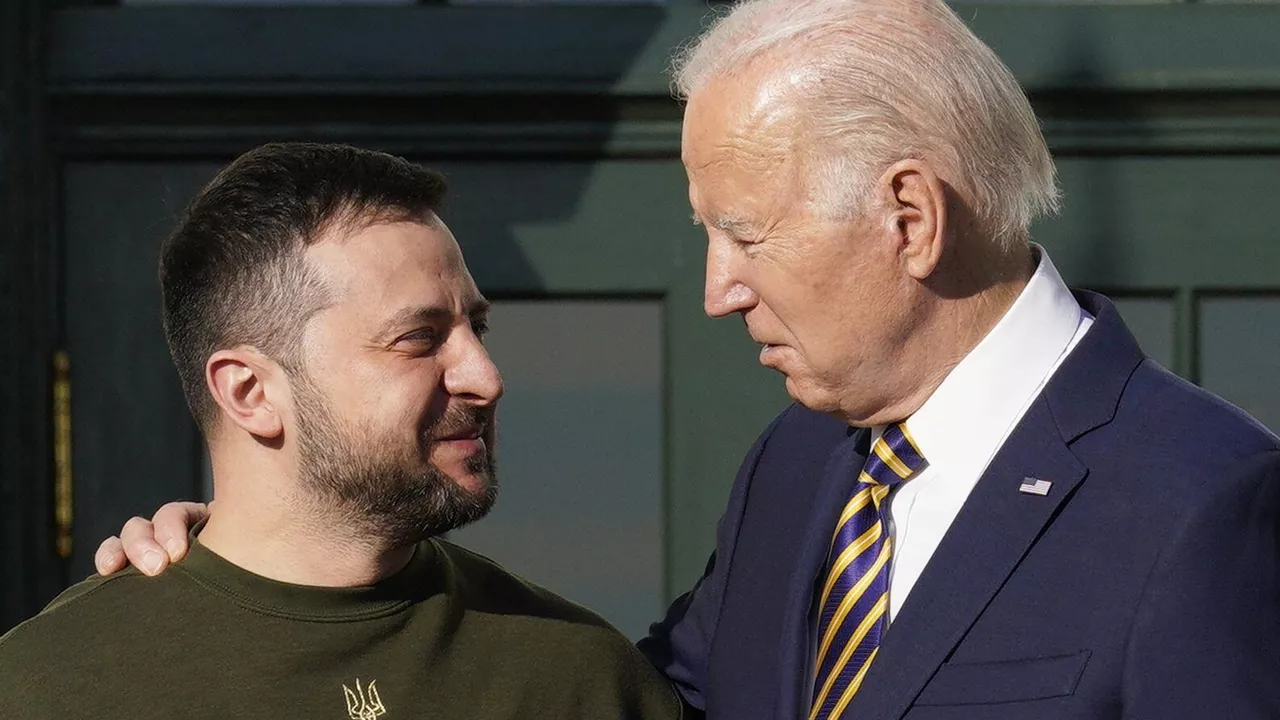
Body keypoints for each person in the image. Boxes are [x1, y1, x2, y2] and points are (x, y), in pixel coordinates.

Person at [96, 1, 1280, 718]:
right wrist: (267, 564)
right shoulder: (802, 465)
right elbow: (608, 700)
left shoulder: (1202, 503)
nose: (717, 290)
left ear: (908, 218)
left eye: (744, 235)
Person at [0, 143, 686, 719]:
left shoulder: (578, 678)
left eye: (475, 328)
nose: (485, 376)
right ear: (250, 392)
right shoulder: (52, 689)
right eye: (419, 339)